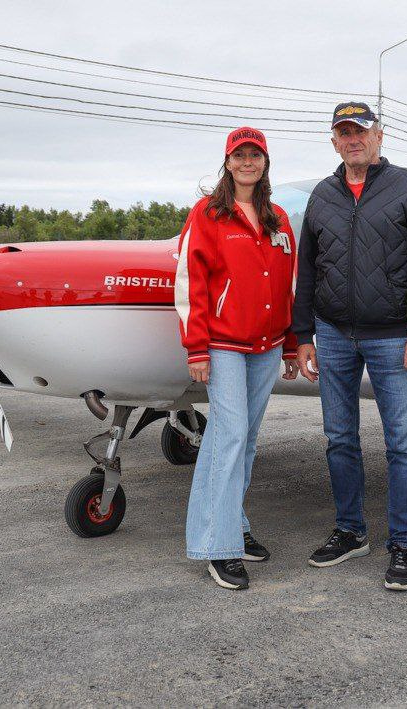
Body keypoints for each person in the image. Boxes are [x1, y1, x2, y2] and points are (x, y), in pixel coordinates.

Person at [291, 102, 407, 592]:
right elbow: (308, 270)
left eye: (360, 131)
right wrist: (302, 336)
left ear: (379, 136)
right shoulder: (323, 195)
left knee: (402, 442)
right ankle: (350, 529)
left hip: (394, 335)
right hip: (333, 334)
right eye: (343, 132)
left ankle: (403, 544)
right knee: (339, 438)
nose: (352, 139)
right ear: (334, 142)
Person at [174, 126, 300, 590]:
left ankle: (235, 526)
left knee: (245, 439)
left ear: (265, 163)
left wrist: (288, 343)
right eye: (239, 155)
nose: (248, 162)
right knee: (226, 438)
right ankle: (216, 545)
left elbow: (288, 283)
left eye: (256, 155)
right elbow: (191, 284)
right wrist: (197, 347)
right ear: (227, 162)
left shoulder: (278, 218)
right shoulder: (208, 215)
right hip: (225, 346)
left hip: (266, 348)